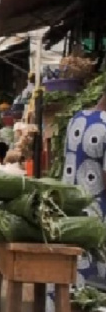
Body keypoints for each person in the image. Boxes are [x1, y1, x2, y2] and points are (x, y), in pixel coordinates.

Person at [61, 75, 106, 298]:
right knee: (92, 290)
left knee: (66, 281)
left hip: (66, 212)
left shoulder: (76, 118)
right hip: (95, 219)